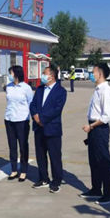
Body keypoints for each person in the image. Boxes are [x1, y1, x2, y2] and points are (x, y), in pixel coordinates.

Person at [80, 62, 110, 204]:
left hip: (99, 128)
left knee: (103, 161)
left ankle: (109, 194)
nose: (91, 74)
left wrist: (91, 126)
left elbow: (106, 116)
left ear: (100, 74)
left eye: (93, 72)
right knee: (94, 160)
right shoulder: (97, 89)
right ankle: (96, 189)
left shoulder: (106, 91)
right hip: (93, 128)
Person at [29, 65, 67, 193]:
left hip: (52, 128)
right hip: (38, 128)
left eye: (44, 73)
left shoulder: (61, 91)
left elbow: (57, 109)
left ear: (52, 76)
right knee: (40, 155)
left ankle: (56, 181)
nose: (42, 76)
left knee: (54, 156)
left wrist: (42, 119)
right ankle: (43, 178)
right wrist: (35, 116)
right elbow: (33, 105)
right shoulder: (40, 89)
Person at [4, 65, 33, 181]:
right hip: (9, 119)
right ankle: (14, 170)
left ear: (16, 74)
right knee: (12, 146)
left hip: (22, 120)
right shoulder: (9, 87)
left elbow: (31, 103)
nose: (9, 75)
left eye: (11, 73)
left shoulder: (26, 88)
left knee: (23, 146)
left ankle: (24, 170)